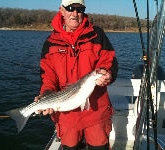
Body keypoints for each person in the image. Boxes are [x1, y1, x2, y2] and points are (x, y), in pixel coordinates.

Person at [34, 0, 118, 149]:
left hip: (96, 112)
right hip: (67, 116)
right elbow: (48, 76)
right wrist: (46, 94)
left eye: (80, 9)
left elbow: (109, 61)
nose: (75, 13)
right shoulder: (50, 42)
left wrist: (107, 74)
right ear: (62, 10)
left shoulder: (97, 34)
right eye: (70, 8)